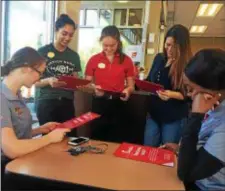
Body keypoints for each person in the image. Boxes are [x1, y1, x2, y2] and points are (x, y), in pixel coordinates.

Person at [1, 47, 70, 184]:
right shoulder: (2, 98)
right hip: (7, 169)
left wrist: (39, 130)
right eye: (40, 73)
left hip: (21, 162)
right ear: (27, 68)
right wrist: (49, 138)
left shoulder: (16, 94)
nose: (40, 78)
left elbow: (14, 133)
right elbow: (11, 149)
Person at [175, 49, 225, 190]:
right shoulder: (214, 106)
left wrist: (196, 116)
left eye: (191, 89)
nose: (190, 95)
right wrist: (178, 149)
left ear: (213, 91)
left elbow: (185, 173)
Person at [84, 25, 135, 143]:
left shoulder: (126, 60)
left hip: (119, 103)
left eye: (112, 45)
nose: (108, 48)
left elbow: (131, 85)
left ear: (118, 43)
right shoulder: (94, 60)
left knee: (116, 139)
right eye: (105, 45)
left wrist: (128, 91)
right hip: (99, 103)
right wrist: (94, 88)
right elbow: (87, 84)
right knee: (97, 138)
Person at [144, 24, 192, 147]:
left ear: (182, 47)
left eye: (174, 46)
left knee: (168, 152)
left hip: (173, 116)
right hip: (154, 113)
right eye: (167, 44)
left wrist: (171, 94)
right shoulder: (159, 58)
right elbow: (150, 79)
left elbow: (188, 95)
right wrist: (139, 83)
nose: (169, 49)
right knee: (148, 148)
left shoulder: (187, 65)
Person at [35, 14, 81, 136]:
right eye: (64, 33)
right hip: (47, 102)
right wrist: (48, 80)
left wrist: (78, 83)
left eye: (71, 35)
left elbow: (75, 81)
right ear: (56, 31)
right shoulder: (42, 52)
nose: (67, 38)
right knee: (49, 140)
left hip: (67, 103)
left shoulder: (74, 56)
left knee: (71, 138)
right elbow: (35, 82)